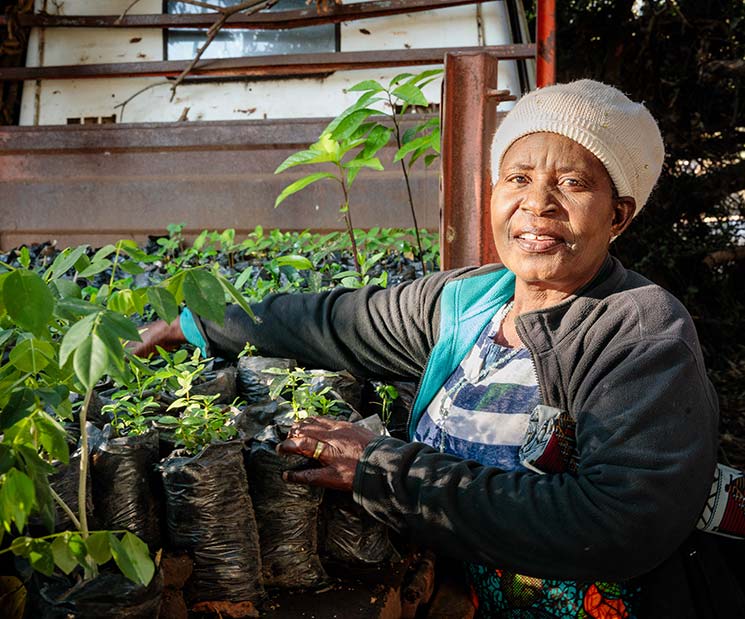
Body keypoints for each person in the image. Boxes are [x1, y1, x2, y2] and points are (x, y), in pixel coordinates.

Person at [134, 80, 720, 617]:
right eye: (518, 177)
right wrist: (194, 327)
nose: (537, 204)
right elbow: (330, 321)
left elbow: (618, 522)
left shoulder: (639, 330)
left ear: (618, 215)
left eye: (572, 183)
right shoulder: (468, 305)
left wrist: (383, 468)